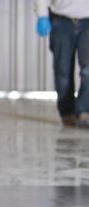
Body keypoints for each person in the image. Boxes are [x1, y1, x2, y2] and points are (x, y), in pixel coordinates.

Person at [36, 0, 89, 128]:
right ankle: (67, 112)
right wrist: (42, 15)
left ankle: (84, 110)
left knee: (88, 69)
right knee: (63, 71)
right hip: (61, 21)